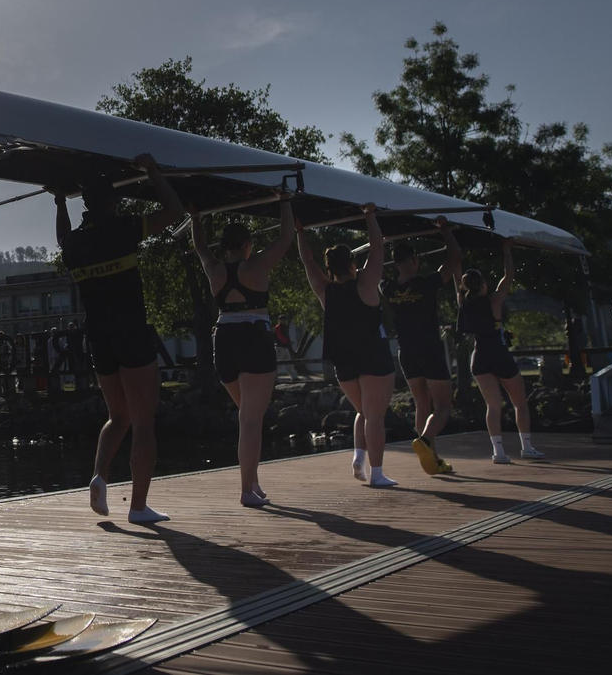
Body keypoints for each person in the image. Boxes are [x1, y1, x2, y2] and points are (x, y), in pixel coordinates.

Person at [57, 153, 185, 524]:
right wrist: (154, 171)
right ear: (112, 202)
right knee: (144, 422)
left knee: (118, 416)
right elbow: (174, 211)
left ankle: (99, 475)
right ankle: (139, 507)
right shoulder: (124, 228)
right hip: (131, 332)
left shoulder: (75, 244)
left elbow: (63, 237)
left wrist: (58, 202)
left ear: (86, 204)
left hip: (98, 338)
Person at [189, 193, 296, 506]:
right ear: (248, 245)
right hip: (253, 338)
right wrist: (284, 201)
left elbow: (200, 247)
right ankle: (246, 491)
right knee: (251, 420)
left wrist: (195, 218)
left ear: (225, 247)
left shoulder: (214, 269)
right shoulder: (258, 264)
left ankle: (254, 481)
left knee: (248, 416)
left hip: (223, 341)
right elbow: (287, 235)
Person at [298, 203, 399, 488]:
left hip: (344, 362)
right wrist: (370, 216)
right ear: (353, 264)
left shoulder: (324, 290)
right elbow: (377, 248)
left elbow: (306, 260)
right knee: (375, 416)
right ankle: (377, 473)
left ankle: (358, 457)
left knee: (365, 413)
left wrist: (300, 231)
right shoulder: (366, 283)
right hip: (374, 358)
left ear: (330, 267)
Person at [379, 217, 462, 476]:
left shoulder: (387, 288)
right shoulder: (426, 284)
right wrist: (446, 231)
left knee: (421, 405)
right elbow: (454, 257)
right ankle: (425, 442)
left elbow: (374, 269)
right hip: (429, 350)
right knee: (444, 406)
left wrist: (380, 243)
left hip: (406, 353)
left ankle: (432, 458)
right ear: (414, 261)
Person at [457, 241, 545, 463]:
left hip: (479, 357)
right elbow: (509, 275)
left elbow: (457, 281)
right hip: (498, 353)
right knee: (520, 402)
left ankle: (498, 452)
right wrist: (506, 251)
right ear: (484, 284)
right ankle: (527, 447)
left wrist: (455, 253)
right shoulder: (494, 300)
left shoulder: (463, 303)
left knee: (492, 406)